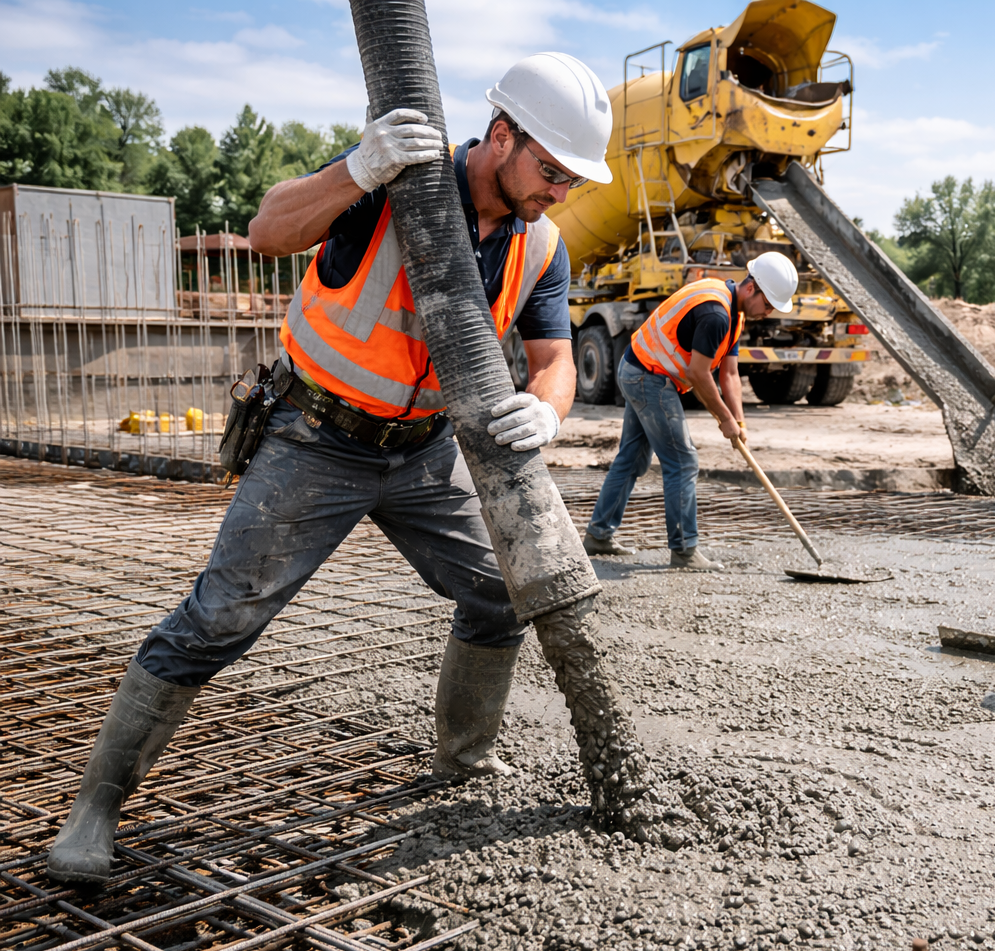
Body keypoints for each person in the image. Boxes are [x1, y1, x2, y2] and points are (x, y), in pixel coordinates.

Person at [46, 53, 616, 884]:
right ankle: (95, 808)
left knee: (502, 591)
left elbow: (555, 360)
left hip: (424, 451)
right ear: (502, 136)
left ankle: (464, 760)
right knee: (219, 619)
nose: (560, 192)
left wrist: (551, 410)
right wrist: (357, 168)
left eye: (572, 179)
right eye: (553, 171)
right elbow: (267, 232)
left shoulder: (542, 246)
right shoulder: (397, 178)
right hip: (316, 439)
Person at [583, 253, 800, 569]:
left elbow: (729, 374)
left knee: (632, 458)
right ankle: (685, 551)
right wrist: (724, 419)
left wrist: (738, 422)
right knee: (683, 461)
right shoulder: (716, 314)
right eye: (768, 305)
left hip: (639, 368)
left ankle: (598, 535)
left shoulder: (733, 311)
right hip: (648, 376)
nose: (768, 313)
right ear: (752, 288)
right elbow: (699, 374)